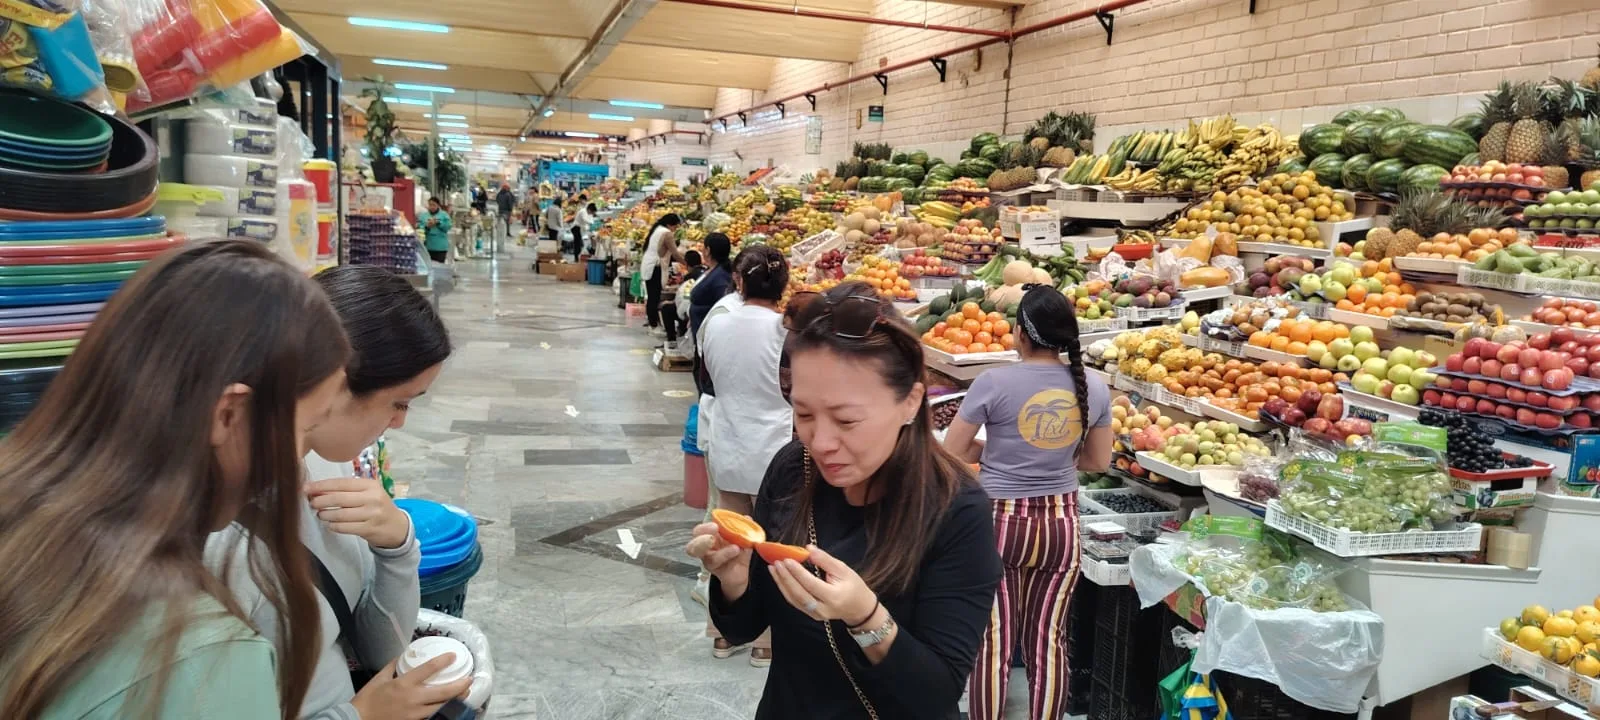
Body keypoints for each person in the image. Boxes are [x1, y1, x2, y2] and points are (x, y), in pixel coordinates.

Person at [0, 241, 351, 719]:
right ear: (228, 413)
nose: (298, 458)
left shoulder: (26, 521)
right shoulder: (205, 661)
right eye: (305, 427)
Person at [687, 282, 1003, 719]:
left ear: (910, 401)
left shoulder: (956, 509)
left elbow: (936, 696)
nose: (821, 442)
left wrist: (866, 617)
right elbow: (743, 626)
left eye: (847, 419)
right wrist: (735, 577)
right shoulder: (791, 470)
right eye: (803, 414)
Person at [207, 266, 460, 720]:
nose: (400, 421)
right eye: (399, 402)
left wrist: (396, 543)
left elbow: (382, 646)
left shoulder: (327, 462)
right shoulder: (214, 547)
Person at [942, 284, 1113, 720]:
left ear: (1020, 333)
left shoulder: (993, 381)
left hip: (999, 523)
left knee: (993, 643)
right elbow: (1097, 460)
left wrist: (993, 453)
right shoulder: (1094, 386)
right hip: (1060, 525)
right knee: (1049, 643)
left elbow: (951, 452)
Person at [697, 246, 794, 666]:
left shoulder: (715, 324)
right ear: (783, 285)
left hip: (728, 442)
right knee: (772, 546)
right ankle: (766, 641)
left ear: (739, 281)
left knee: (730, 540)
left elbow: (706, 381)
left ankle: (723, 634)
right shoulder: (784, 332)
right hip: (775, 449)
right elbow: (794, 389)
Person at [640, 213, 684, 335]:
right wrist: (687, 264)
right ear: (670, 225)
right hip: (655, 266)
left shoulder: (657, 229)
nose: (675, 229)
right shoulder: (666, 233)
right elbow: (675, 253)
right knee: (654, 296)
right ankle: (654, 324)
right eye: (675, 227)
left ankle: (652, 322)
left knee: (651, 296)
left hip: (649, 264)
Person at [664, 250, 705, 349]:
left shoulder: (690, 277)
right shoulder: (707, 272)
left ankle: (672, 341)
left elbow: (686, 298)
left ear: (686, 264)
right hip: (705, 308)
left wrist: (672, 302)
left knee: (667, 309)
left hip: (693, 310)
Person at [420, 197, 453, 264]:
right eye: (430, 205)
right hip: (428, 246)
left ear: (438, 205)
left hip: (441, 247)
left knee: (439, 267)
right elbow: (420, 228)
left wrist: (438, 223)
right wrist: (427, 226)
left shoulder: (444, 215)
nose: (432, 207)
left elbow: (448, 227)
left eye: (434, 205)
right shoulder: (423, 216)